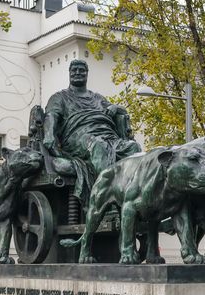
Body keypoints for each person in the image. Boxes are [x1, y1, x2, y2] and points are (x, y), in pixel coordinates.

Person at [43, 59, 141, 201]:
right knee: (98, 147)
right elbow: (51, 116)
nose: (78, 73)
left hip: (108, 135)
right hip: (78, 137)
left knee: (133, 147)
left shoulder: (98, 98)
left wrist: (116, 107)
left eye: (81, 70)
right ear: (69, 73)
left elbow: (120, 111)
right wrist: (49, 135)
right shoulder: (59, 97)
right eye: (74, 70)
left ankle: (134, 196)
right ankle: (105, 200)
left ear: (87, 74)